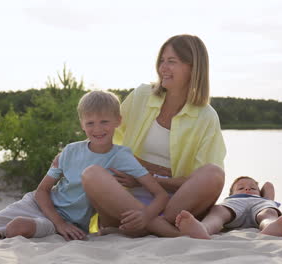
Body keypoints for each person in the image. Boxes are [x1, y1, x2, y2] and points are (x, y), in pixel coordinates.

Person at [0, 91, 168, 244]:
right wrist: (58, 222)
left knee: (16, 228)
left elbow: (159, 194)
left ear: (118, 121)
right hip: (38, 205)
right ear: (82, 124)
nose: (98, 129)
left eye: (105, 121)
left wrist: (146, 215)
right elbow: (43, 191)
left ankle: (20, 231)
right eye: (90, 123)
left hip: (67, 224)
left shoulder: (122, 156)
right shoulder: (70, 151)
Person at [82, 34, 226, 237]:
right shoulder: (142, 95)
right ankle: (165, 231)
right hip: (125, 200)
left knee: (214, 174)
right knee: (91, 174)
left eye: (171, 62)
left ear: (193, 67)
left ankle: (156, 224)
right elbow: (105, 137)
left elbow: (197, 180)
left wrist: (146, 178)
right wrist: (71, 154)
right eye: (162, 61)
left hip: (174, 205)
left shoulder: (206, 117)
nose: (163, 68)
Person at [175, 176, 282, 239]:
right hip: (235, 205)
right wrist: (250, 189)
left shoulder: (264, 199)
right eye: (241, 188)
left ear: (260, 192)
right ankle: (204, 228)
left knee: (268, 213)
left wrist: (263, 196)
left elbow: (268, 185)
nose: (247, 189)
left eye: (253, 188)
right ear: (231, 193)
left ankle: (270, 226)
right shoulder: (231, 199)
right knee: (218, 212)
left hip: (259, 206)